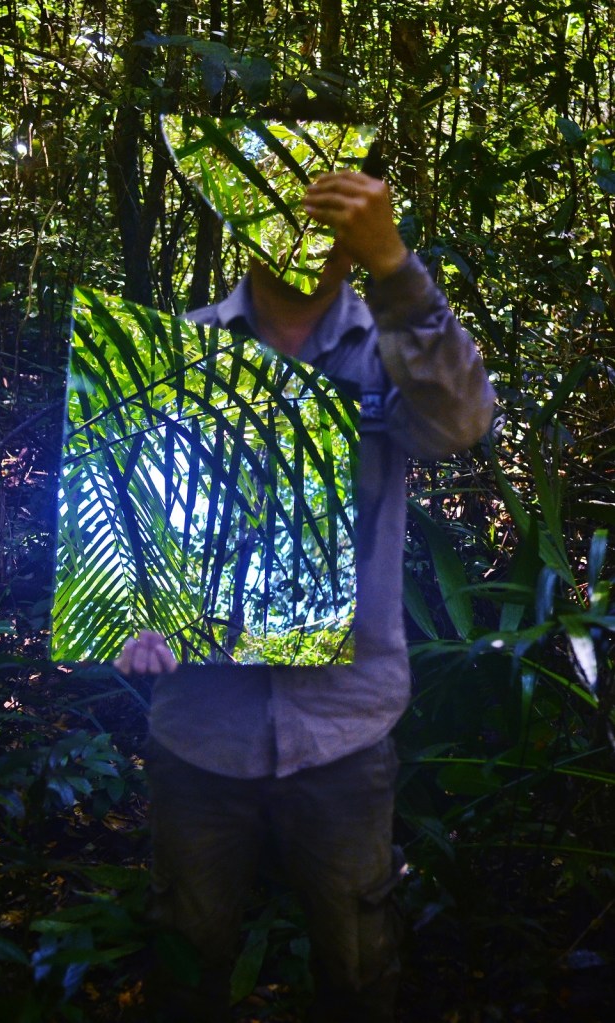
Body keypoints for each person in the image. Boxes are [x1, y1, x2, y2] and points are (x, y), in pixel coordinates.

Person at [114, 170, 495, 1022]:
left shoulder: (390, 350)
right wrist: (133, 614)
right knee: (186, 962)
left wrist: (397, 269)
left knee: (359, 969)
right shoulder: (178, 348)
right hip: (202, 730)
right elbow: (140, 514)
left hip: (343, 731)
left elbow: (464, 424)